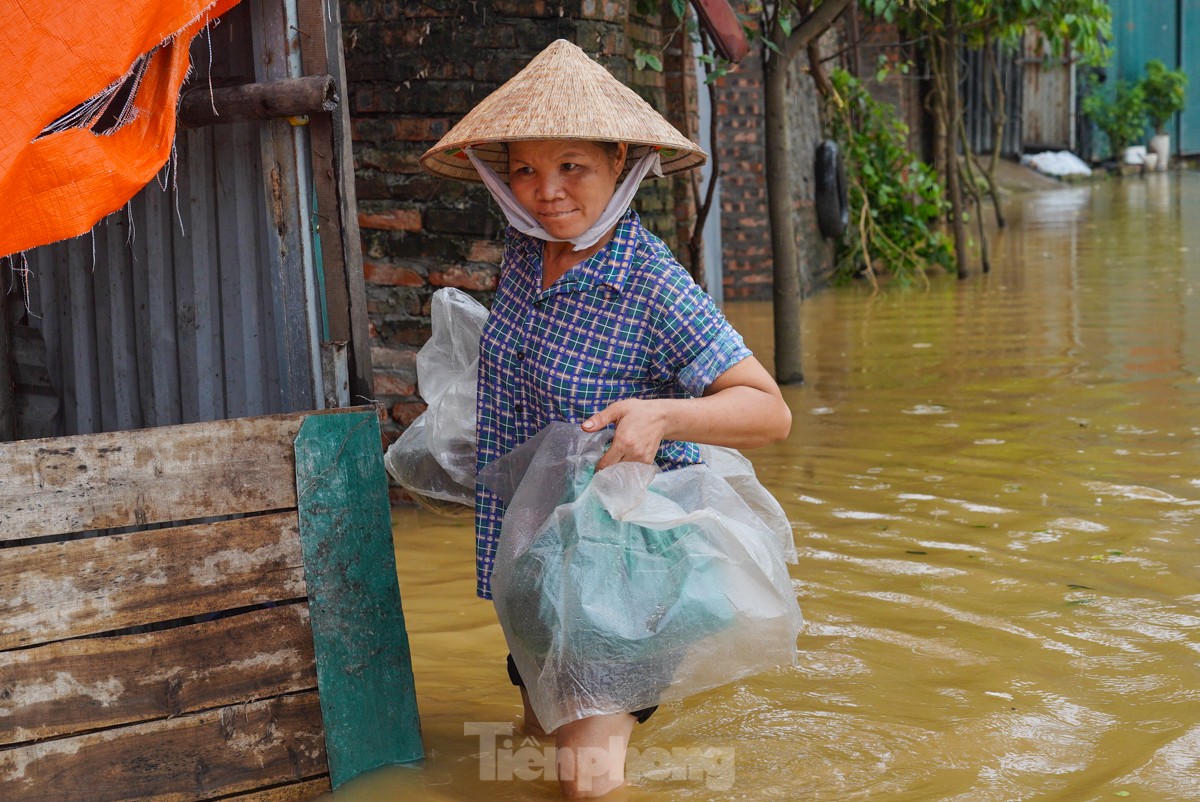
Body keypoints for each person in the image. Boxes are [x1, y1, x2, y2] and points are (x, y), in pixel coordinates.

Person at [420, 39, 792, 798]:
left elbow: (769, 411)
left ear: (619, 162)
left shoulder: (652, 282)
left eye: (571, 167)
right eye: (524, 169)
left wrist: (660, 414)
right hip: (532, 560)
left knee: (586, 783)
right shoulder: (528, 253)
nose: (544, 191)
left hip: (621, 574)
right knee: (534, 746)